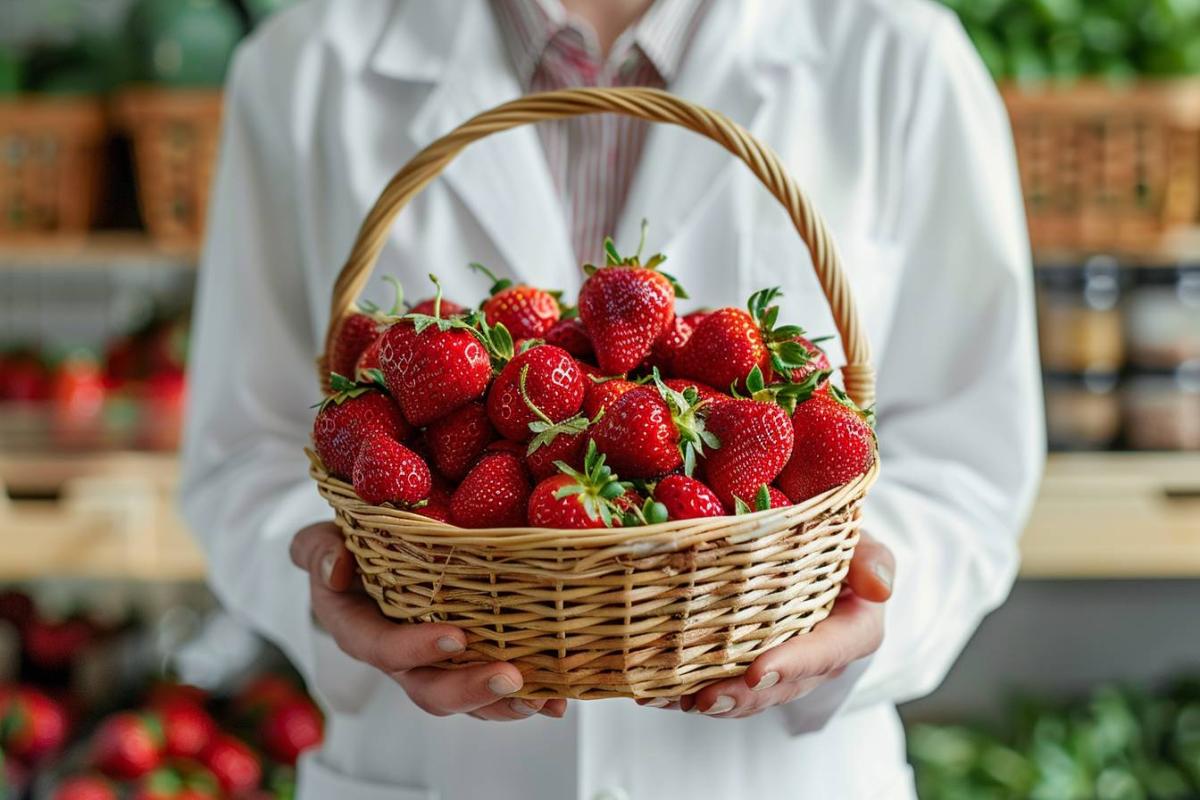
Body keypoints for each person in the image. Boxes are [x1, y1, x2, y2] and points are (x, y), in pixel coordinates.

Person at [180, 0, 1044, 797]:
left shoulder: (901, 52)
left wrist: (864, 608)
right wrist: (338, 595)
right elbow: (244, 448)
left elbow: (970, 453)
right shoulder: (305, 62)